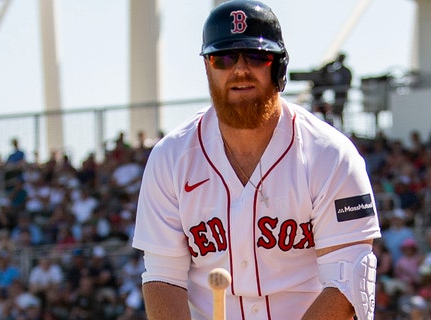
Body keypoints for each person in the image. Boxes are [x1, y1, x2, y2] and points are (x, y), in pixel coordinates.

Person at [131, 1, 381, 319]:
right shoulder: (171, 157)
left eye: (256, 55)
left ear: (278, 67)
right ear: (208, 68)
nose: (239, 69)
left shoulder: (330, 156)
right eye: (223, 57)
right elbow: (163, 276)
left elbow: (348, 278)